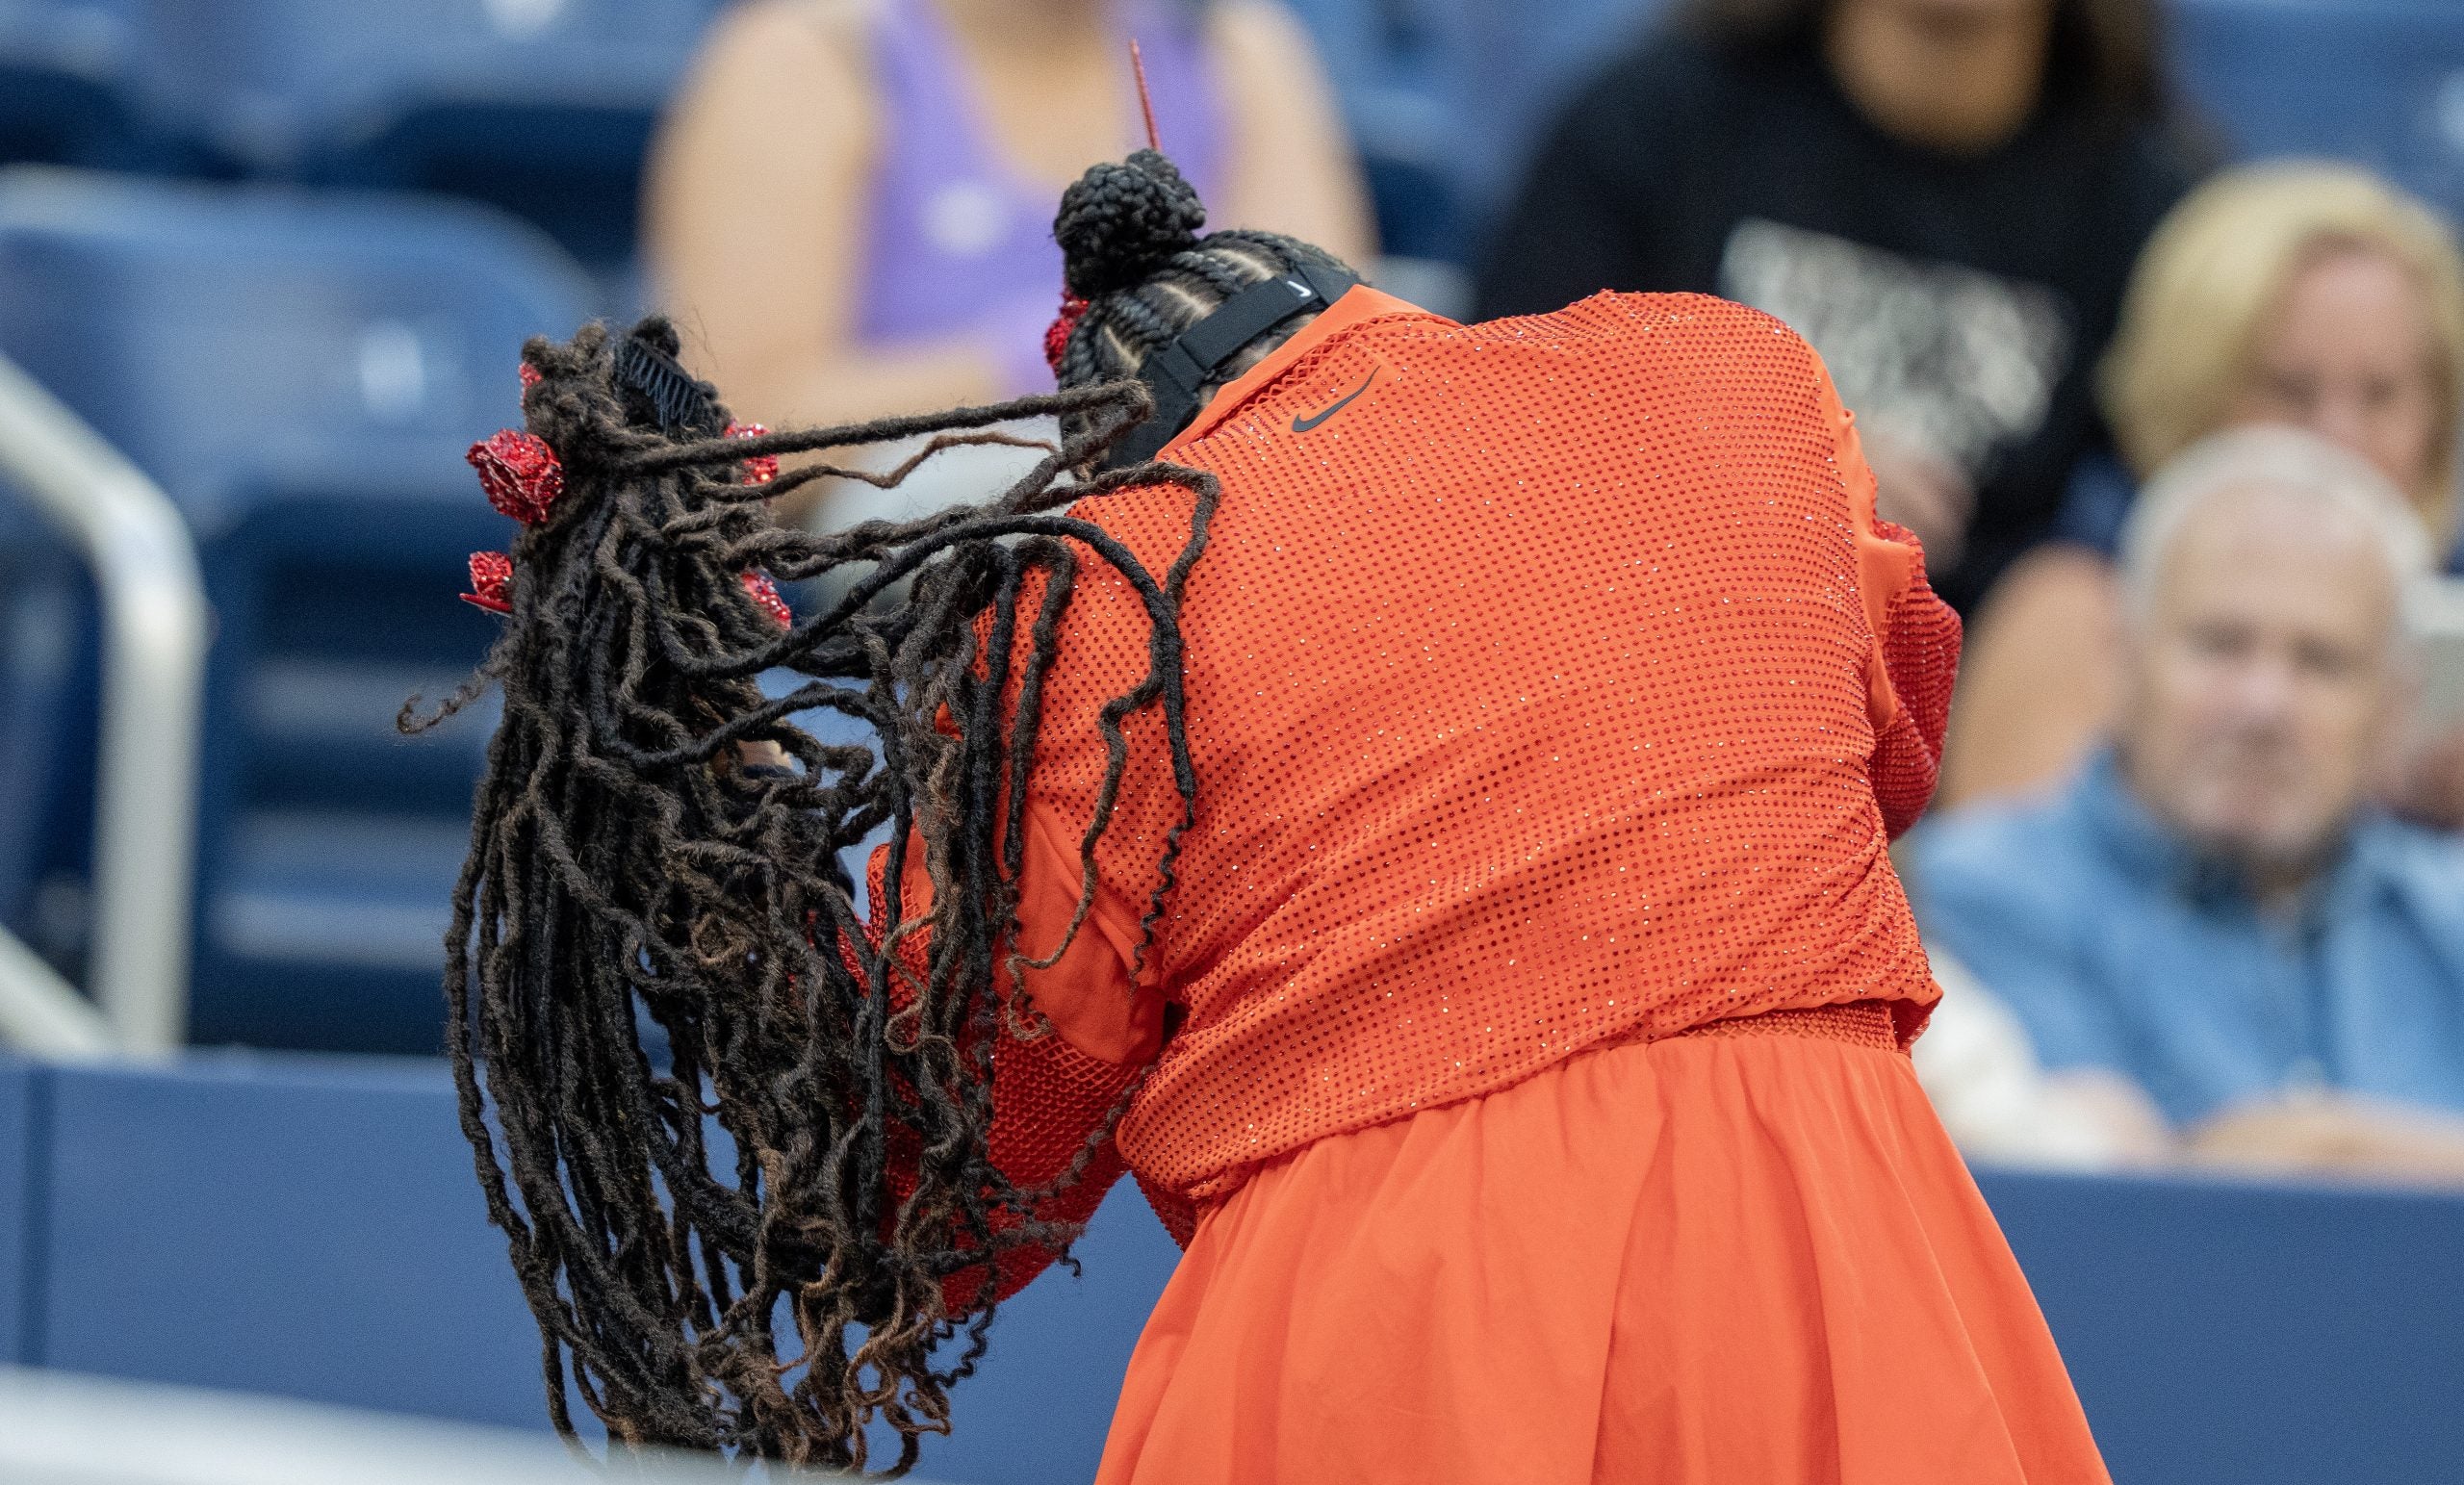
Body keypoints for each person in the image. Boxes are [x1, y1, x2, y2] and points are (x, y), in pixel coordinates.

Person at [432, 147, 2109, 1482]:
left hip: (1372, 1338)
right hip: (1831, 1261)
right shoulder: (1730, 372)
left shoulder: (1093, 604)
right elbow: (1891, 728)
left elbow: (937, 1169)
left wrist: (687, 745)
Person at [1476, 0, 2201, 613]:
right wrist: (1777, 453)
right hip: (1676, 614)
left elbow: (2221, 496)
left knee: (2072, 605)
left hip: (1981, 667)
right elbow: (1497, 427)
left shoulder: (2155, 207)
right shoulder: (1656, 124)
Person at [1908, 426, 2464, 1187]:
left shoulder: (2447, 912)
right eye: (2220, 644)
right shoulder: (1967, 900)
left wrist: (2318, 1148)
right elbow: (2094, 1207)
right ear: (2121, 656)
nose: (2264, 704)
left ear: (2398, 703)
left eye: (2321, 661)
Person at [644, 0, 1373, 523]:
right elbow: (741, 446)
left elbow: (1331, 359)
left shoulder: (1232, 43)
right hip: (926, 586)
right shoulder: (804, 58)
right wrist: (1067, 348)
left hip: (1226, 522)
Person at [1939, 162, 2464, 814]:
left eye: (2381, 395)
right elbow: (2008, 875)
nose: (2339, 439)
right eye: (2290, 391)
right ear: (2188, 401)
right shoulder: (2081, 611)